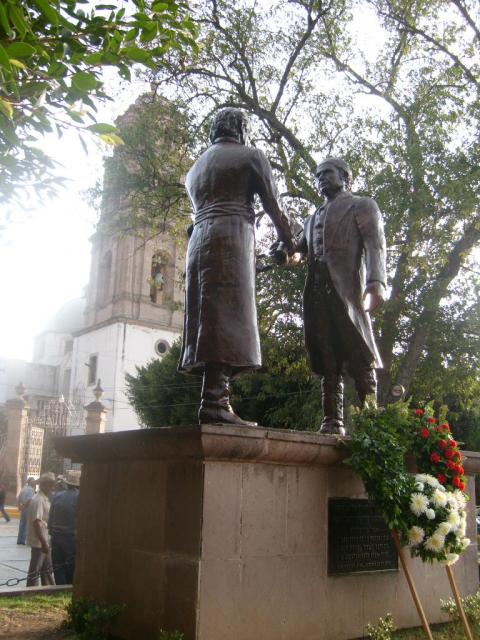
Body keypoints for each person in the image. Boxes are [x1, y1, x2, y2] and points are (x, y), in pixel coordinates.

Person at [178, 107, 295, 425]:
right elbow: (272, 202)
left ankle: (211, 399)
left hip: (199, 242)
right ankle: (216, 402)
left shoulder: (195, 169)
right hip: (230, 239)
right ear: (241, 129)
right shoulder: (250, 155)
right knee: (228, 317)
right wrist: (290, 239)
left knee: (210, 320)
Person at [272, 157, 387, 435]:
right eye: (317, 175)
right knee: (327, 357)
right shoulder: (311, 219)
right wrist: (283, 254)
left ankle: (371, 418)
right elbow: (298, 254)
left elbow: (376, 244)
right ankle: (332, 420)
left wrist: (376, 282)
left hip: (347, 290)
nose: (321, 178)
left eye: (327, 173)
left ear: (344, 176)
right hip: (316, 292)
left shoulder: (362, 205)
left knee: (360, 352)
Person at [48, 469, 80, 585]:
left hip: (56, 535)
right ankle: (68, 588)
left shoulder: (58, 496)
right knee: (70, 565)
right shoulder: (79, 496)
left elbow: (51, 516)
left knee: (58, 565)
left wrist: (52, 531)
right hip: (71, 536)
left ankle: (60, 588)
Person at [26, 472, 56, 586]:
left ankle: (48, 590)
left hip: (44, 539)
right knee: (36, 569)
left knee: (47, 568)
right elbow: (37, 522)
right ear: (43, 485)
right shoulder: (38, 499)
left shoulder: (44, 498)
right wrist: (43, 542)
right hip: (39, 540)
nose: (52, 488)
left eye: (52, 485)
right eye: (49, 485)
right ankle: (31, 591)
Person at [17, 477, 36, 544]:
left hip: (23, 507)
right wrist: (25, 506)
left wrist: (20, 506)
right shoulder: (31, 490)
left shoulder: (24, 488)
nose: (34, 483)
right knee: (27, 524)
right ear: (31, 482)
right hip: (28, 508)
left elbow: (18, 498)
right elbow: (29, 500)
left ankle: (19, 540)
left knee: (22, 523)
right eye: (33, 481)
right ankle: (23, 540)